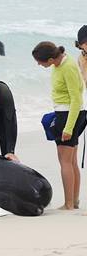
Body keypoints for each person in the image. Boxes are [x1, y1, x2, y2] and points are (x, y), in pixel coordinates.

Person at [32, 41, 86, 210]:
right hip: (69, 114)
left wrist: (68, 128)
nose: (38, 64)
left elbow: (76, 98)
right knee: (71, 161)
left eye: (40, 61)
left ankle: (68, 204)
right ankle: (74, 202)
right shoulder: (59, 63)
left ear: (50, 58)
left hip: (70, 115)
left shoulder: (67, 66)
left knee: (65, 162)